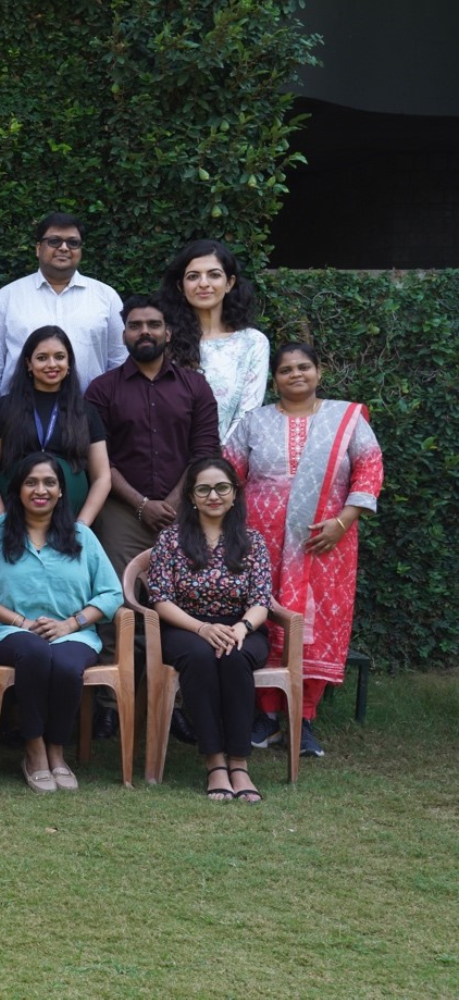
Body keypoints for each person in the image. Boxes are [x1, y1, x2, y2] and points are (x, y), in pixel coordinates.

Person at [224, 343, 383, 758]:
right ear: (274, 379)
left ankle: (303, 717)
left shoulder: (344, 419)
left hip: (324, 542)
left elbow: (369, 468)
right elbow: (227, 474)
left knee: (318, 624)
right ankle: (266, 716)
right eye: (286, 369)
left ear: (318, 371)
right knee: (264, 617)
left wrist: (343, 521)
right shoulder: (253, 422)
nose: (296, 375)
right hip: (262, 542)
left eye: (304, 367)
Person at [0, 453, 123, 792]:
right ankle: (33, 750)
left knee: (64, 665)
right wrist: (20, 621)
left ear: (61, 491)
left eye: (50, 482)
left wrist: (71, 624)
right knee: (34, 652)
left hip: (73, 634)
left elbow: (110, 593)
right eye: (31, 482)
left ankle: (57, 751)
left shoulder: (81, 535)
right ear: (17, 489)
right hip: (10, 632)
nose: (41, 490)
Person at [146, 457, 273, 803]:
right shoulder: (171, 540)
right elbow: (160, 598)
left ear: (234, 495)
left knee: (234, 658)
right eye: (203, 489)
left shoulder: (252, 541)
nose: (213, 495)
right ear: (191, 496)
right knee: (201, 657)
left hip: (242, 626)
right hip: (185, 626)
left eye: (222, 488)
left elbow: (262, 598)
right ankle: (215, 762)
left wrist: (242, 628)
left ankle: (239, 762)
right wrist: (202, 628)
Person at [85, 295, 221, 580]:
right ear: (124, 335)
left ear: (167, 333)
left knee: (191, 593)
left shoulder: (196, 386)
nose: (145, 331)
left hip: (186, 507)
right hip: (122, 511)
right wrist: (141, 505)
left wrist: (174, 502)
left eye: (153, 324)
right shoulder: (101, 390)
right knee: (122, 598)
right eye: (135, 325)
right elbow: (98, 460)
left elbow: (205, 452)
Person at [0, 212, 125, 422]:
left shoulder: (106, 297)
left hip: (88, 420)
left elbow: (120, 365)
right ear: (38, 248)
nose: (64, 248)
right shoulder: (8, 297)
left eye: (73, 243)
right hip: (21, 420)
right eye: (54, 241)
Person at [0, 326, 110, 525]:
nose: (52, 364)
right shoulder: (4, 407)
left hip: (71, 525)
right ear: (28, 364)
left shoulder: (85, 412)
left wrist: (82, 524)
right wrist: (0, 521)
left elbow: (102, 476)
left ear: (69, 363)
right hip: (12, 522)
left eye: (59, 357)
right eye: (42, 358)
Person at [158, 239, 269, 439]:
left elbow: (247, 415)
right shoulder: (164, 340)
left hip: (228, 463)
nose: (203, 284)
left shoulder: (252, 342)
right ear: (181, 286)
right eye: (193, 276)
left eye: (214, 275)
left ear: (229, 283)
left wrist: (214, 464)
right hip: (169, 460)